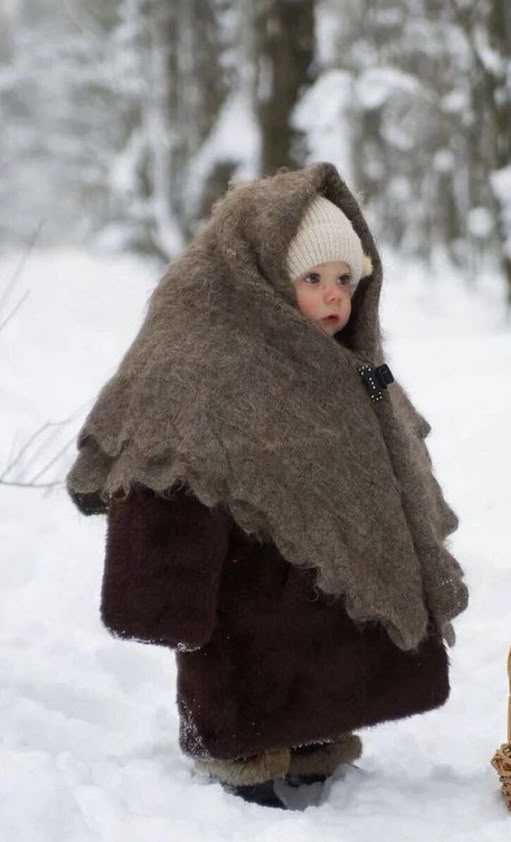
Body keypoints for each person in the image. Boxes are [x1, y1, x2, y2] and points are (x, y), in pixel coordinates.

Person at [67, 162, 468, 809]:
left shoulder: (346, 365)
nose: (334, 296)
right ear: (262, 276)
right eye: (313, 279)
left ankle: (319, 732)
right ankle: (244, 754)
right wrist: (161, 595)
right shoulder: (199, 359)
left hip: (318, 583)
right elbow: (165, 472)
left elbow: (385, 456)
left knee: (324, 640)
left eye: (345, 279)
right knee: (246, 660)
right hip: (242, 582)